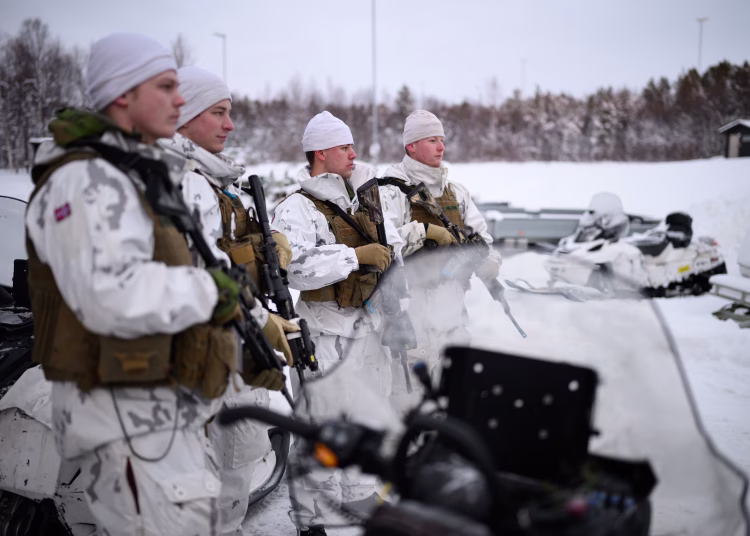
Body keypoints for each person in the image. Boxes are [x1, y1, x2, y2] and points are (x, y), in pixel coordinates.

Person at [24, 34, 289, 536]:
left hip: (163, 409)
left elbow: (194, 270)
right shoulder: (84, 180)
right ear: (123, 93)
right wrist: (217, 295)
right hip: (126, 416)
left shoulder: (140, 177)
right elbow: (111, 295)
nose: (179, 99)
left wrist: (252, 327)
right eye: (166, 86)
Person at [160, 65, 297, 536]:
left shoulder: (217, 182)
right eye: (218, 112)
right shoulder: (183, 181)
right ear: (186, 115)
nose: (230, 124)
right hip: (203, 352)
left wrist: (269, 244)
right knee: (211, 477)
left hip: (230, 343)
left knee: (235, 465)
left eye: (230, 113)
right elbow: (201, 274)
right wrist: (260, 319)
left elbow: (230, 253)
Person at [273, 111, 402, 535]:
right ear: (322, 152)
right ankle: (310, 517)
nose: (353, 153)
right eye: (345, 147)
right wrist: (354, 258)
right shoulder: (296, 207)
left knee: (359, 420)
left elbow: (390, 244)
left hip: (362, 328)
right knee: (320, 427)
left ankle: (355, 494)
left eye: (352, 146)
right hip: (323, 332)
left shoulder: (356, 200)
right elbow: (293, 270)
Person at [379, 109, 502, 407]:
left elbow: (483, 237)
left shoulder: (456, 192)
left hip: (452, 312)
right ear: (411, 146)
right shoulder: (389, 189)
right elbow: (384, 243)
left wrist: (488, 261)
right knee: (407, 405)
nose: (441, 147)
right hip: (411, 311)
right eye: (432, 140)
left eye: (442, 140)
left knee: (453, 402)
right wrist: (424, 231)